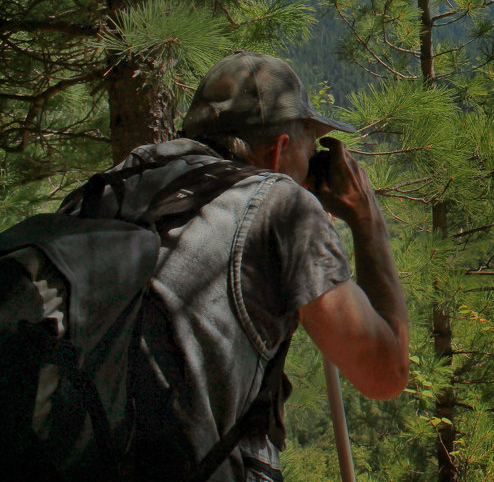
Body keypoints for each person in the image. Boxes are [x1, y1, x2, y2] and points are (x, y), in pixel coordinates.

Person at [101, 50, 408, 480]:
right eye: (309, 151)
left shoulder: (116, 183)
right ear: (279, 150)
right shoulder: (280, 205)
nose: (310, 169)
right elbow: (386, 373)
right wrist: (367, 221)